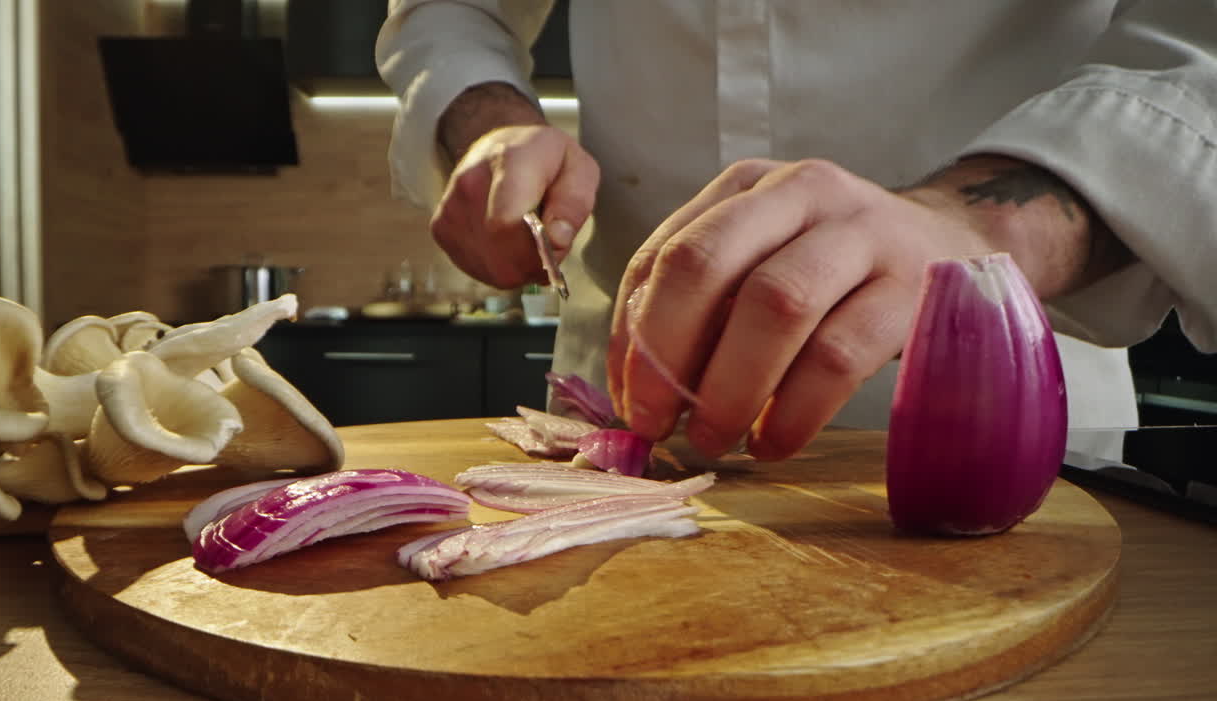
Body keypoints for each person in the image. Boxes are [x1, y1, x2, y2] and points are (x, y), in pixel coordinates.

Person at [376, 1, 1217, 461]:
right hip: (622, 411)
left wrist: (976, 219)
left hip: (1006, 408)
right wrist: (483, 117)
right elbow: (448, 13)